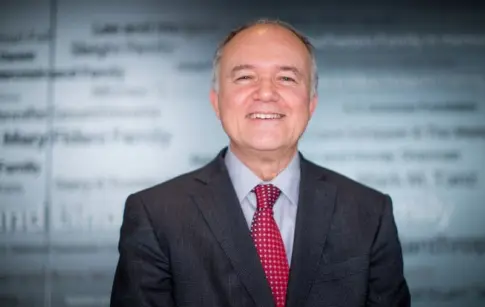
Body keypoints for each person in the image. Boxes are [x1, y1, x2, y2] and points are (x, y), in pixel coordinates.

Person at [110, 18, 411, 307]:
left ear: (311, 103)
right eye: (244, 77)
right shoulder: (155, 215)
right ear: (216, 102)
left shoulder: (369, 213)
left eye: (286, 78)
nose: (266, 93)